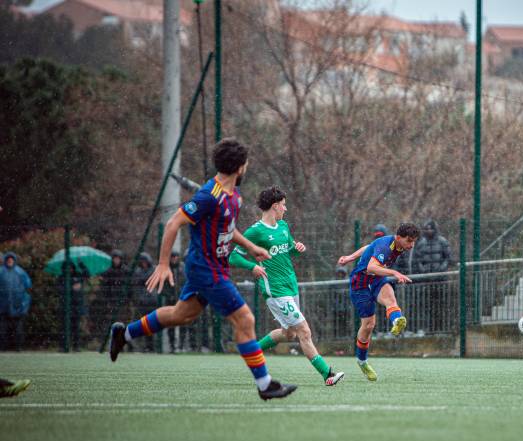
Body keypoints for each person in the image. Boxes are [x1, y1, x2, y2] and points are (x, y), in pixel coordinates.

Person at [108, 138, 297, 401]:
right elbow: (174, 223)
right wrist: (163, 264)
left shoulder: (233, 197)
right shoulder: (209, 196)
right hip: (206, 269)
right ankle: (265, 385)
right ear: (240, 167)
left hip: (215, 267)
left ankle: (124, 333)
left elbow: (227, 230)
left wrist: (250, 247)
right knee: (245, 320)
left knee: (181, 314)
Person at [230, 186, 344, 386]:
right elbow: (234, 256)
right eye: (283, 205)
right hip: (275, 289)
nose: (286, 208)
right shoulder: (255, 231)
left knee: (289, 333)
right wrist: (252, 267)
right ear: (275, 206)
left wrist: (297, 249)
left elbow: (289, 250)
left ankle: (251, 351)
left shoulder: (283, 227)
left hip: (291, 285)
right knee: (304, 331)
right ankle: (328, 374)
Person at [338, 223, 419, 381]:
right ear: (398, 237)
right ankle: (362, 361)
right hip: (360, 284)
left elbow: (369, 246)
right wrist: (394, 272)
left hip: (376, 280)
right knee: (368, 325)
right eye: (409, 241)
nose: (412, 245)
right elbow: (371, 267)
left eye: (414, 241)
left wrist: (349, 257)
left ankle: (396, 322)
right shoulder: (386, 246)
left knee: (390, 298)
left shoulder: (398, 245)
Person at [411, 220, 452, 331]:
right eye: (427, 229)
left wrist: (440, 270)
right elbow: (417, 260)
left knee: (440, 306)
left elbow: (448, 258)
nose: (429, 231)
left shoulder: (442, 242)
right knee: (427, 306)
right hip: (426, 280)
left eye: (431, 229)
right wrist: (424, 272)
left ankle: (441, 328)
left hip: (440, 280)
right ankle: (429, 329)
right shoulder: (421, 244)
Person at [0, 252, 31, 351]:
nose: (10, 261)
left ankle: (18, 347)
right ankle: (3, 347)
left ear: (14, 261)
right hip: (3, 306)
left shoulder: (20, 272)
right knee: (3, 329)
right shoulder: (1, 272)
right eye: (8, 260)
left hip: (18, 306)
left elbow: (28, 288)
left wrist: (23, 304)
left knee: (18, 329)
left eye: (11, 260)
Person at [58, 260, 89, 351]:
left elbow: (87, 274)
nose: (69, 269)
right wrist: (71, 288)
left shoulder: (78, 275)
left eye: (71, 267)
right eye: (67, 267)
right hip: (65, 307)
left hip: (76, 306)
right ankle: (63, 346)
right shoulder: (61, 277)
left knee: (76, 327)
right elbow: (60, 290)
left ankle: (76, 346)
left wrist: (81, 264)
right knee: (64, 327)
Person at [131, 253, 157, 352]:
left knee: (152, 324)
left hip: (152, 302)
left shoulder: (153, 270)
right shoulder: (137, 272)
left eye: (145, 262)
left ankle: (151, 346)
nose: (144, 264)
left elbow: (150, 282)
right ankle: (142, 346)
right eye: (142, 262)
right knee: (142, 325)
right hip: (141, 303)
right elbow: (135, 286)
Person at [162, 251, 187, 353]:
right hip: (170, 300)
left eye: (176, 257)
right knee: (171, 324)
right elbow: (163, 286)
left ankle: (181, 345)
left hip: (182, 300)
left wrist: (183, 294)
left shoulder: (183, 268)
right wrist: (169, 295)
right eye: (172, 257)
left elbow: (186, 282)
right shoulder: (167, 269)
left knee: (183, 323)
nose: (174, 259)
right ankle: (172, 346)